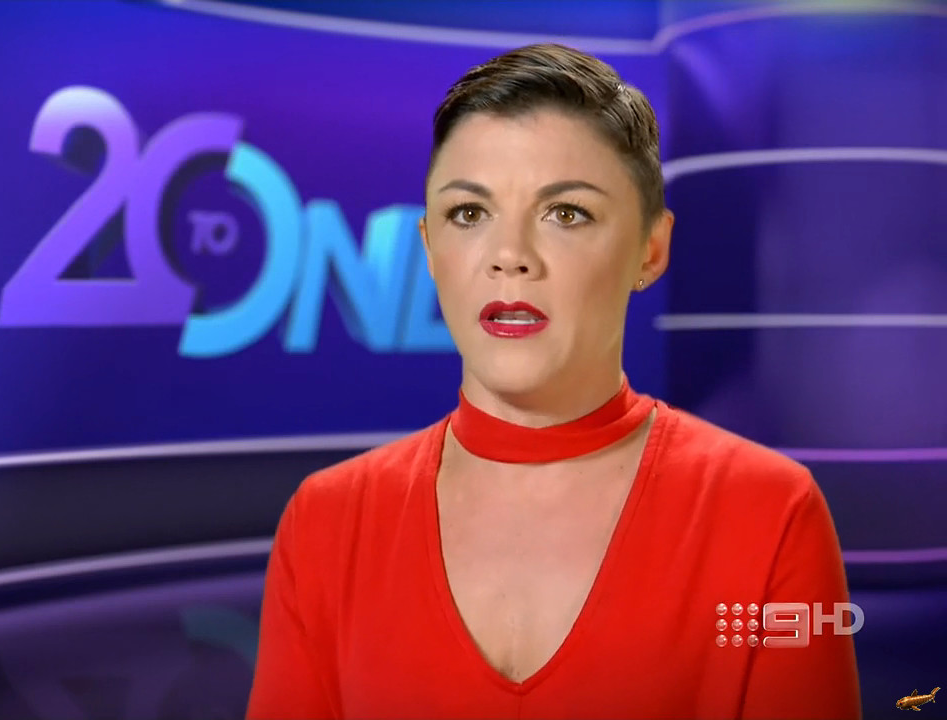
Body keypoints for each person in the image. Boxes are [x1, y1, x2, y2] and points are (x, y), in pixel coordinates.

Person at [245, 44, 861, 719]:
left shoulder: (770, 514)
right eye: (469, 213)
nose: (510, 257)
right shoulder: (327, 522)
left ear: (650, 249)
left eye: (566, 213)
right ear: (429, 247)